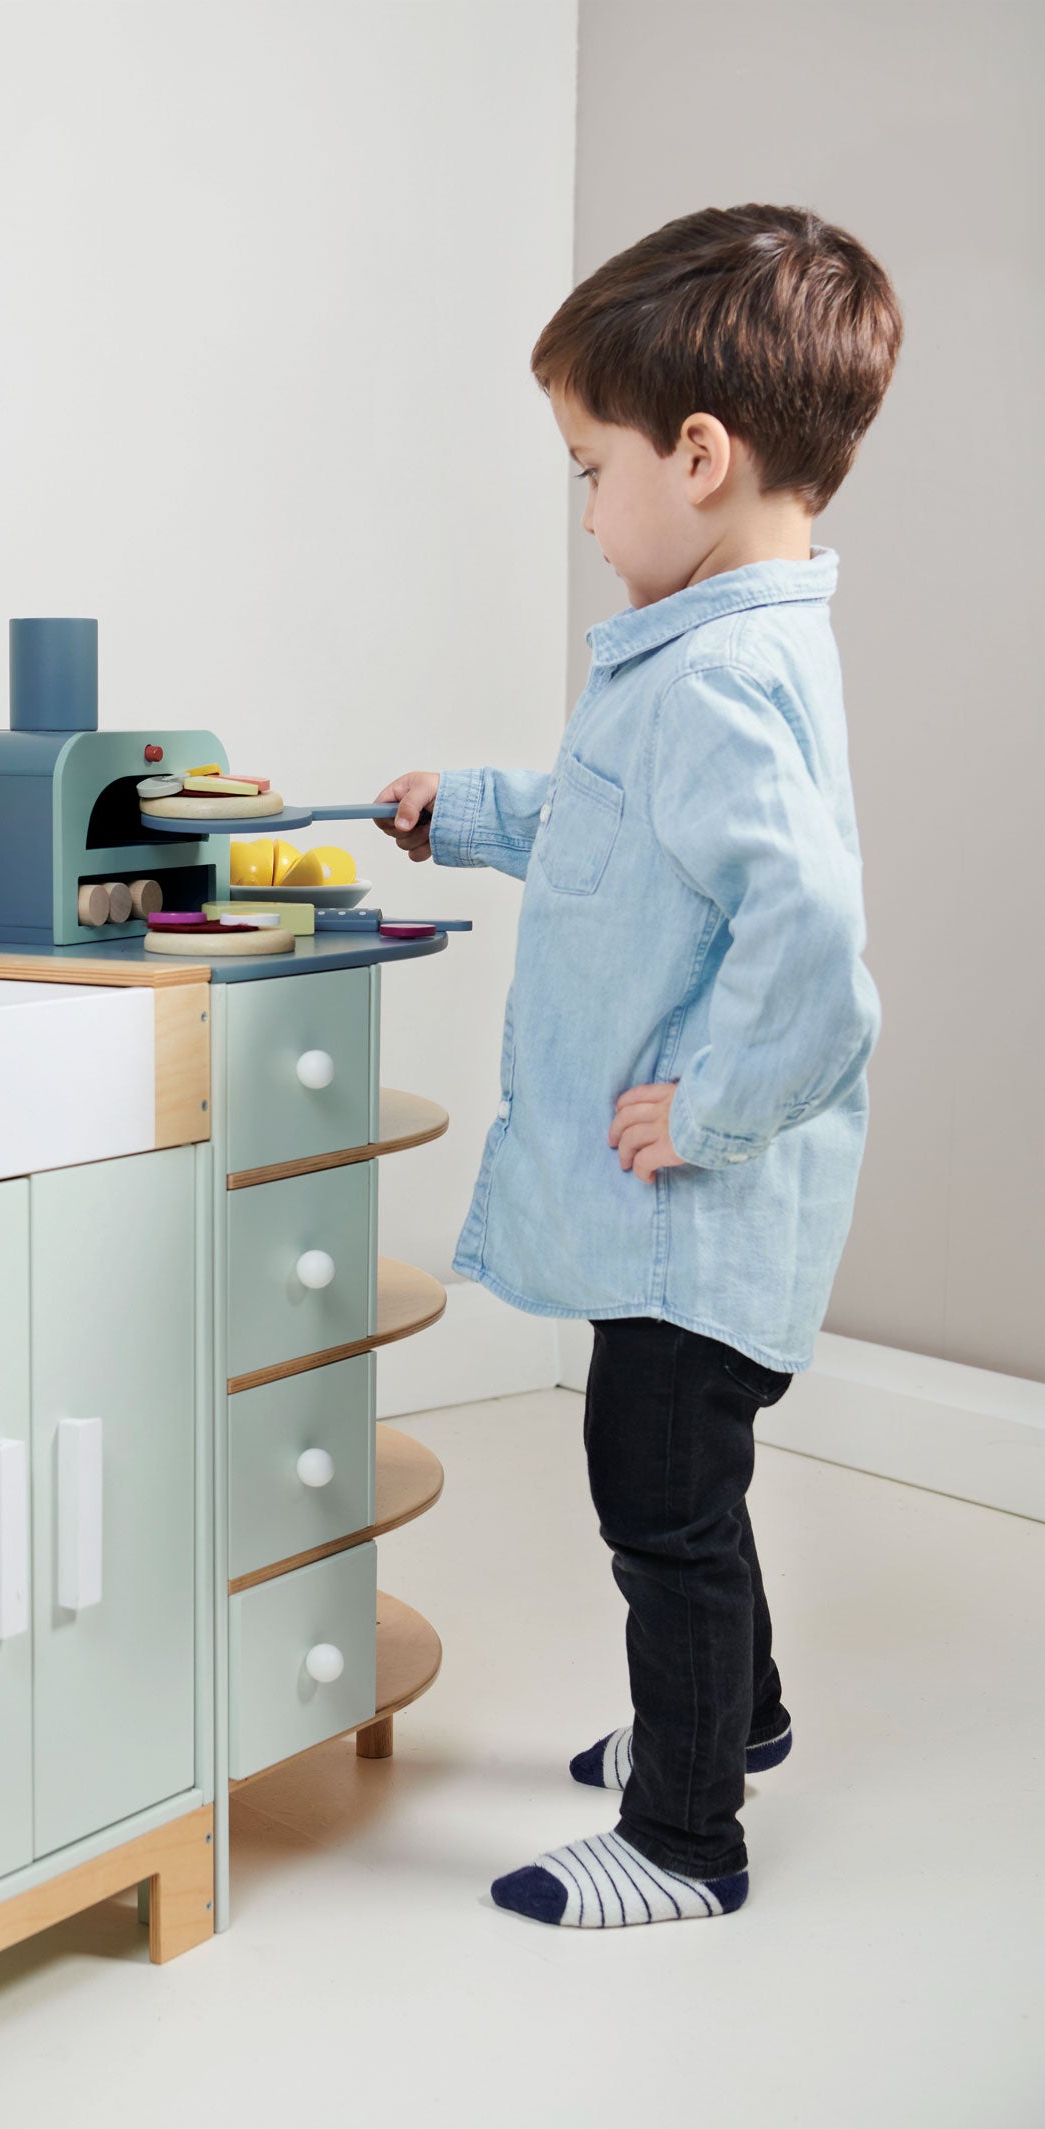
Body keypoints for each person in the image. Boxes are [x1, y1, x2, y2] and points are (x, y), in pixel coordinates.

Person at [376, 204, 901, 1928]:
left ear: (697, 454)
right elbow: (631, 841)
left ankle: (688, 1836)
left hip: (699, 1202)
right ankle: (729, 1717)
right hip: (685, 1215)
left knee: (659, 1504)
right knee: (699, 1490)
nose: (585, 507)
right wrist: (469, 812)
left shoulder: (719, 678)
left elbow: (813, 932)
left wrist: (720, 1103)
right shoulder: (714, 653)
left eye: (586, 465)